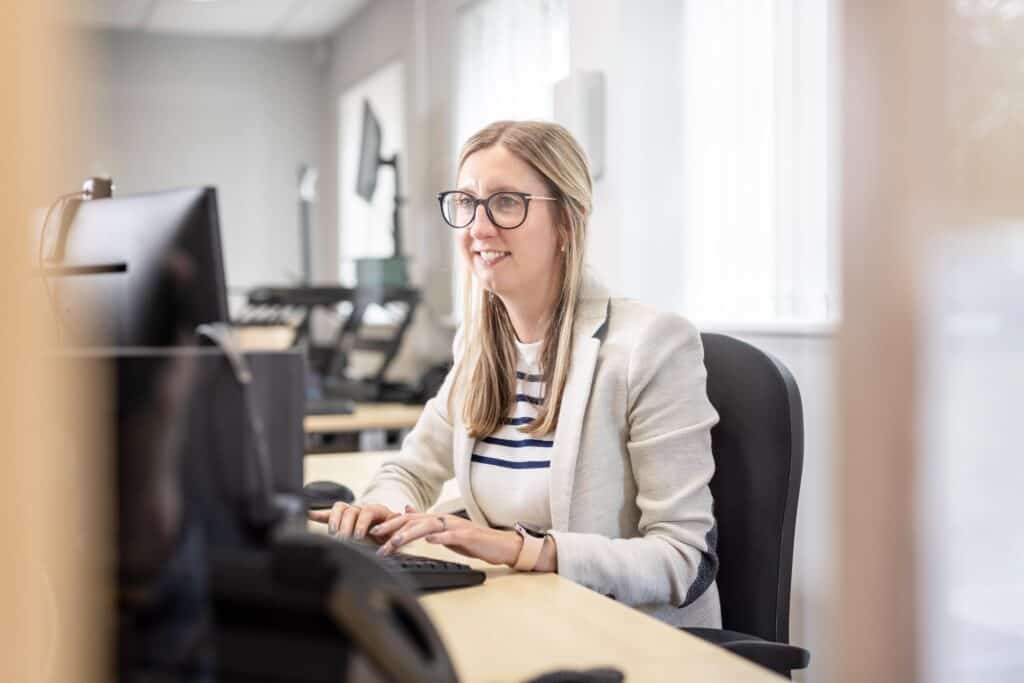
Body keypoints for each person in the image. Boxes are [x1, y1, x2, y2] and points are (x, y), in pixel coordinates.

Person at [310, 120, 721, 627]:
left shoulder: (650, 345)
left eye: (506, 202)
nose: (479, 227)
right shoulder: (481, 345)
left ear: (568, 224)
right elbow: (411, 471)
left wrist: (523, 550)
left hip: (627, 633)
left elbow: (684, 558)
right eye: (466, 203)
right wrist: (380, 510)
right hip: (525, 617)